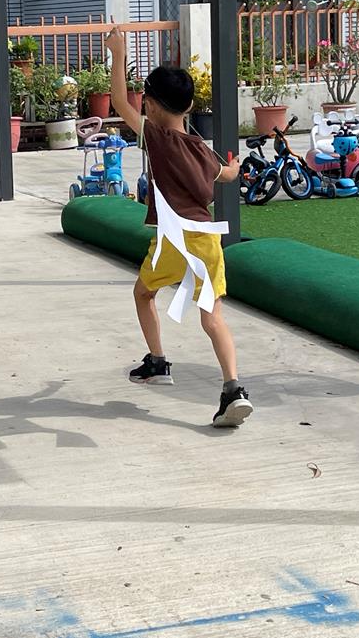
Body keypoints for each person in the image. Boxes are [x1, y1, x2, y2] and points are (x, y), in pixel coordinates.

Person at [105, 27, 251, 428]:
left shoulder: (155, 137)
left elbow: (118, 101)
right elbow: (226, 175)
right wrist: (234, 166)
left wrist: (118, 53)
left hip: (173, 239)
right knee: (212, 317)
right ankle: (233, 389)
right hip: (206, 240)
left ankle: (157, 362)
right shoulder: (201, 149)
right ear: (188, 106)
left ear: (150, 105)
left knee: (143, 293)